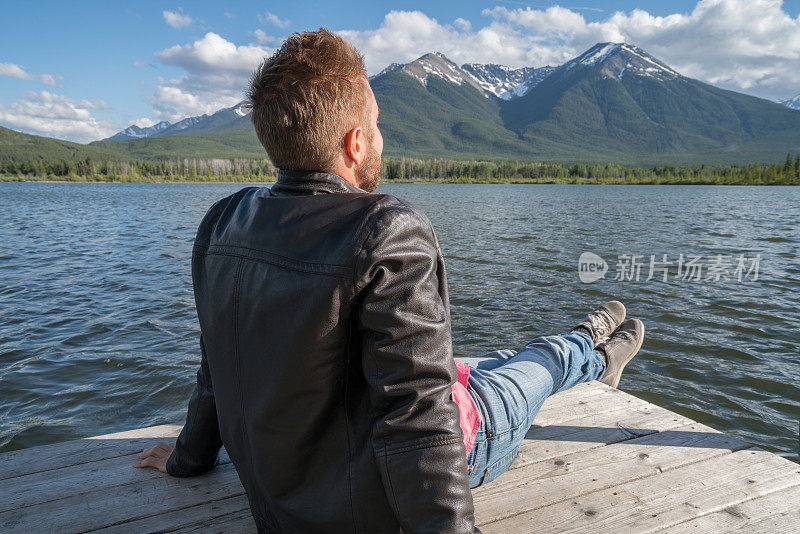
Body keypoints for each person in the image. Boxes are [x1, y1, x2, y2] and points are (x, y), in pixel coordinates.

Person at [133, 29, 645, 533]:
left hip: (299, 490)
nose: (381, 136)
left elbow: (216, 369)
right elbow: (418, 416)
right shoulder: (384, 229)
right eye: (376, 125)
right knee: (534, 368)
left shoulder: (222, 222)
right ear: (356, 143)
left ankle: (582, 343)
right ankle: (589, 350)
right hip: (441, 454)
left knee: (473, 362)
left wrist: (187, 458)